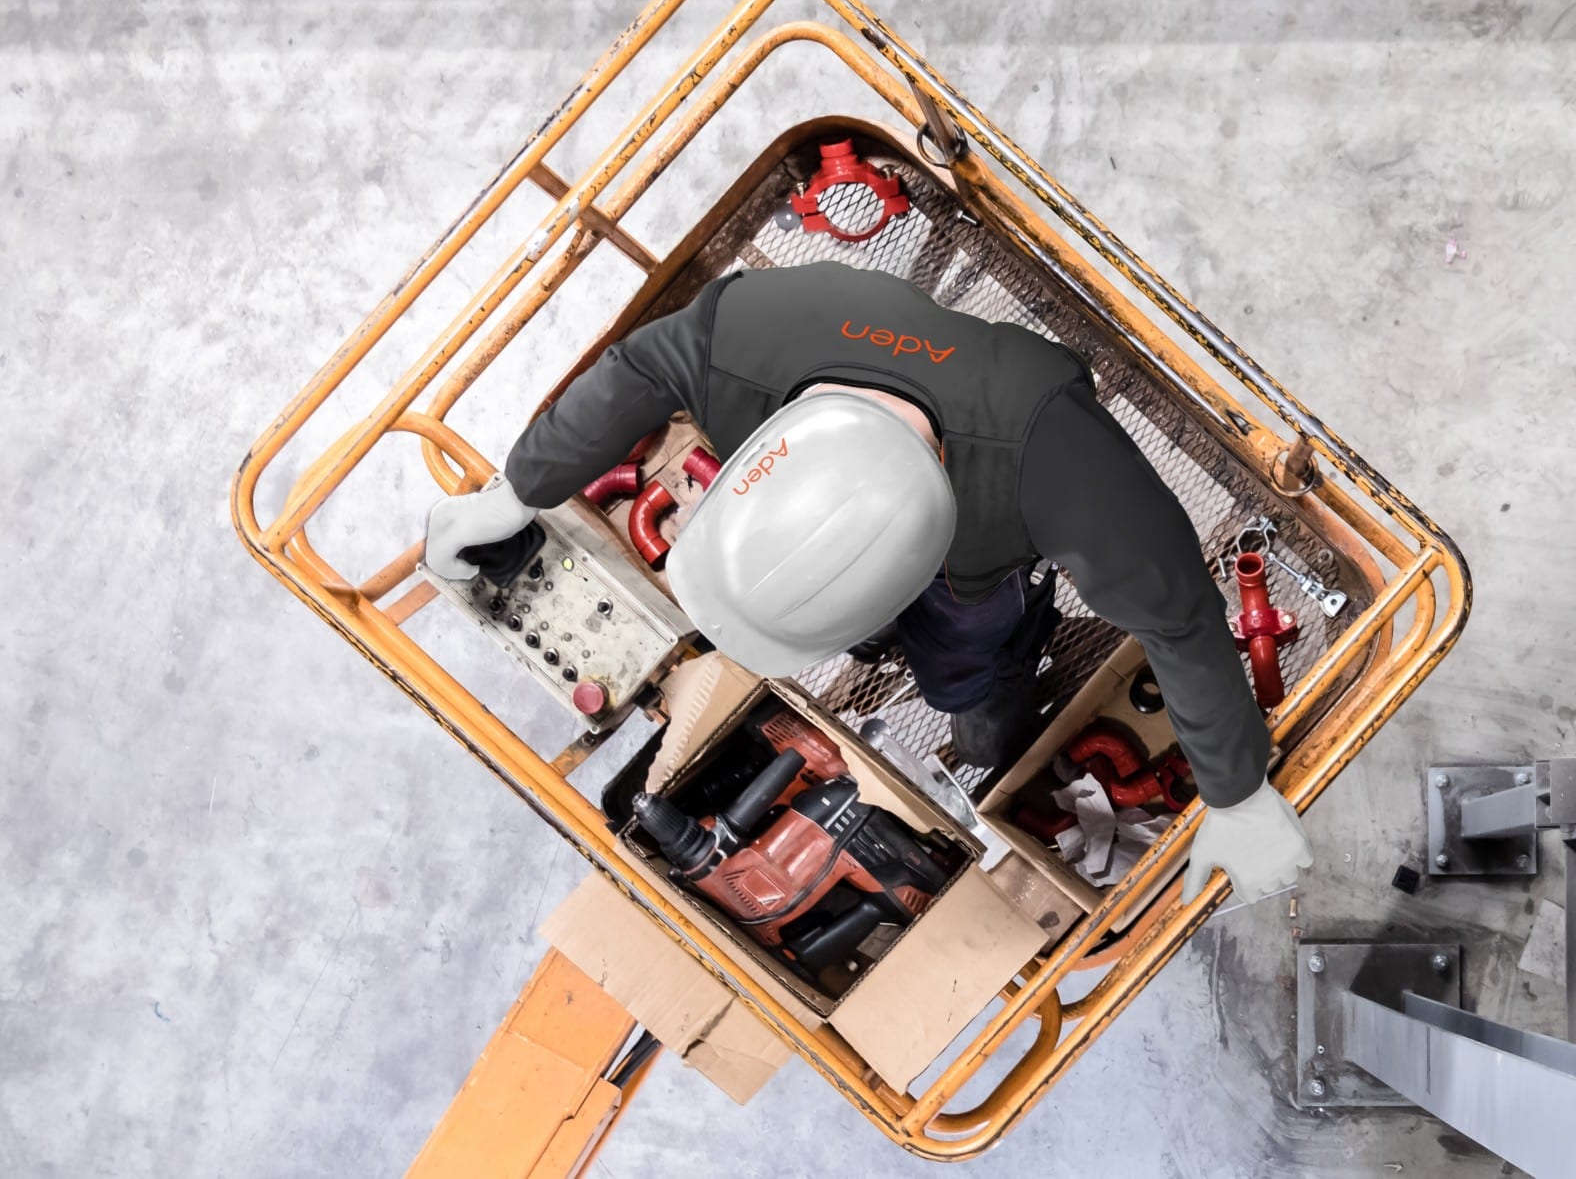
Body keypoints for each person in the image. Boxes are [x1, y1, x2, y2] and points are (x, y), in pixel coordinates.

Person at [424, 260, 1312, 903]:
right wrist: (513, 493)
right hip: (872, 455)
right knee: (937, 647)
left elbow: (1184, 622)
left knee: (966, 663)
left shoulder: (1062, 465)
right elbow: (639, 371)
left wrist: (1237, 794)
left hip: (979, 567)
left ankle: (988, 710)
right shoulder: (749, 336)